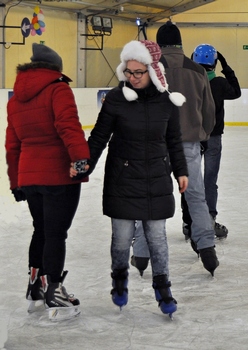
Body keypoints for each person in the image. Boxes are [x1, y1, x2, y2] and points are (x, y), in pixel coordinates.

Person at [71, 40, 188, 318]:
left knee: (157, 239)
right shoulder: (115, 99)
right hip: (122, 179)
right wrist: (84, 165)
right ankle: (119, 280)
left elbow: (174, 140)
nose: (132, 78)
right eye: (129, 72)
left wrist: (181, 170)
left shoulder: (167, 102)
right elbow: (99, 137)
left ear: (152, 71)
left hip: (156, 179)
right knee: (122, 240)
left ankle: (163, 288)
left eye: (139, 72)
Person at [5, 43, 90, 322]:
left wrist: (16, 181)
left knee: (40, 229)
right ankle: (54, 290)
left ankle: (35, 287)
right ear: (55, 68)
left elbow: (12, 144)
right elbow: (69, 126)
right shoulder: (58, 89)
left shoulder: (16, 98)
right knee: (55, 233)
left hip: (29, 176)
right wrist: (80, 160)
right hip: (57, 175)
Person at [132, 21, 220, 277]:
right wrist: (201, 133)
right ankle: (207, 250)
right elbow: (209, 111)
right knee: (196, 198)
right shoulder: (197, 69)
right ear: (181, 43)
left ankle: (140, 253)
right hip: (189, 145)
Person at [180, 44, 241, 240]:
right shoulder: (220, 84)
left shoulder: (189, 81)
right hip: (213, 137)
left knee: (189, 179)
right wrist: (225, 65)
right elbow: (237, 91)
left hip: (193, 136)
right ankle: (209, 219)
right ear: (214, 62)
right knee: (209, 181)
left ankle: (189, 223)